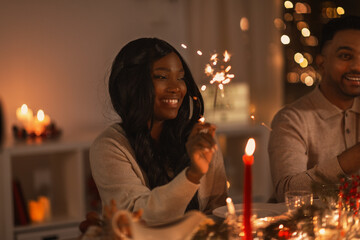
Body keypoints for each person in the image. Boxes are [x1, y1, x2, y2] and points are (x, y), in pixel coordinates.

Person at [90, 38, 227, 225]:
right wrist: (192, 175)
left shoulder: (198, 139)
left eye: (180, 78)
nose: (176, 88)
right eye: (162, 77)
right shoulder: (110, 147)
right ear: (132, 85)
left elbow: (217, 213)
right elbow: (138, 220)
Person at [269, 15, 360, 202]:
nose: (357, 66)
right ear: (321, 63)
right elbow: (287, 193)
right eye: (345, 56)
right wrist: (352, 158)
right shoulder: (292, 119)